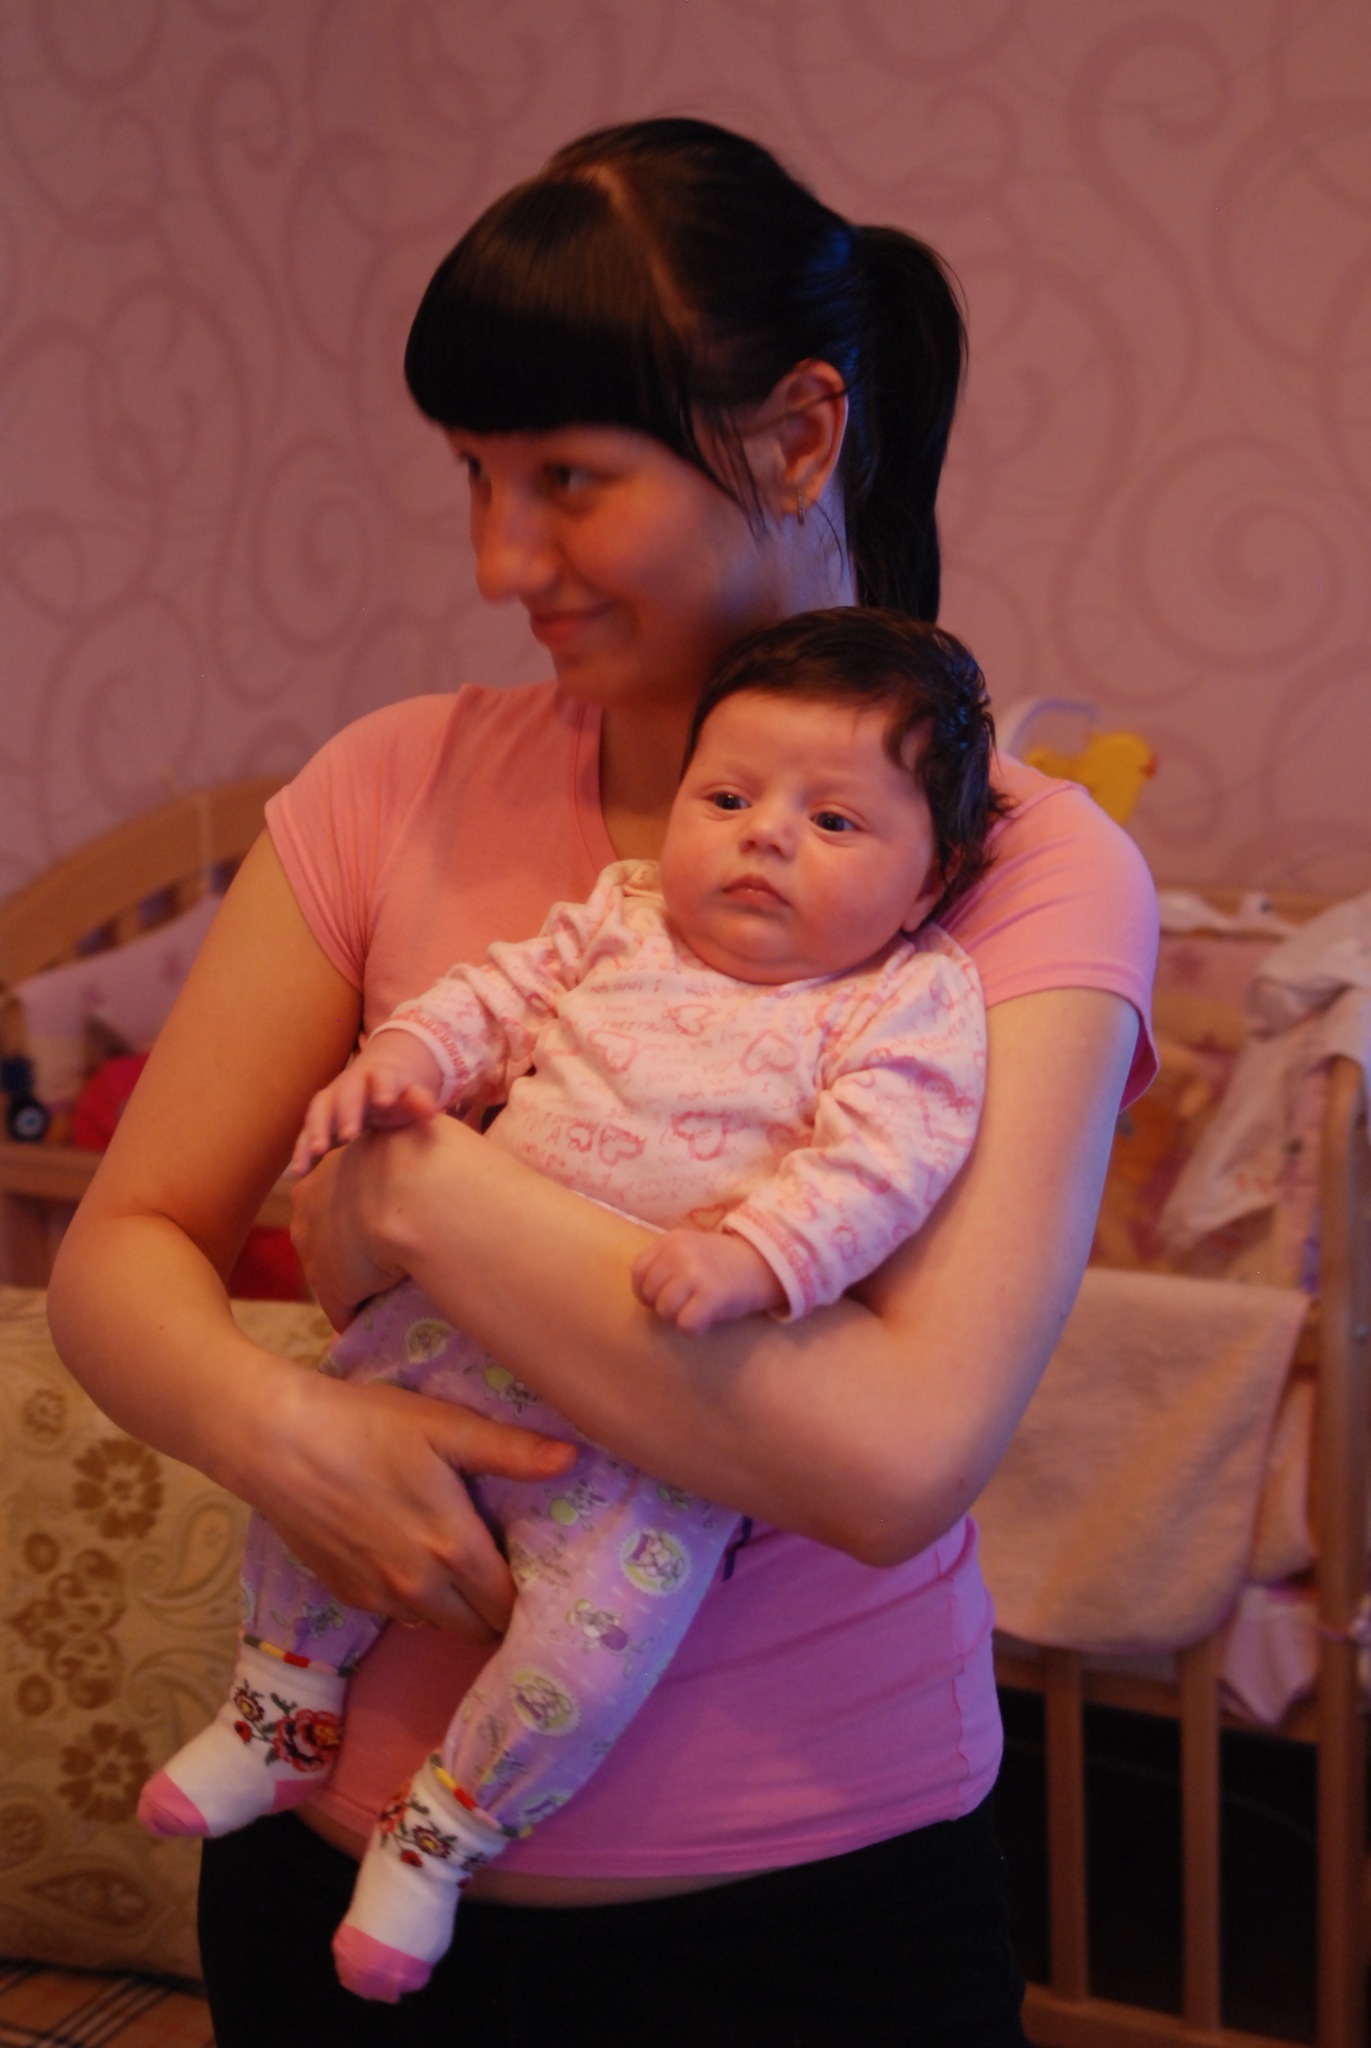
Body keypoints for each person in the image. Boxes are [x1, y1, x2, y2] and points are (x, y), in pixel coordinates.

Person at [49, 117, 1158, 2047]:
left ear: (800, 435)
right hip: (318, 1894)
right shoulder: (388, 780)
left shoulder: (1016, 865)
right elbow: (118, 1253)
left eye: (565, 478)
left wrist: (422, 1199)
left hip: (808, 1920)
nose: (502, 561)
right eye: (474, 479)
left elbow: (894, 1459)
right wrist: (276, 1425)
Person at [137, 609, 996, 2005]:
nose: (766, 839)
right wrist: (404, 1061)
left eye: (834, 822)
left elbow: (892, 1159)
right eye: (728, 800)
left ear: (930, 880)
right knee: (320, 1463)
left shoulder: (903, 1000)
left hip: (660, 1415)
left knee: (592, 1645)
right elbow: (491, 998)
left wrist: (764, 1255)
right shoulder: (622, 917)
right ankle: (282, 1700)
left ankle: (442, 1833)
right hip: (462, 1329)